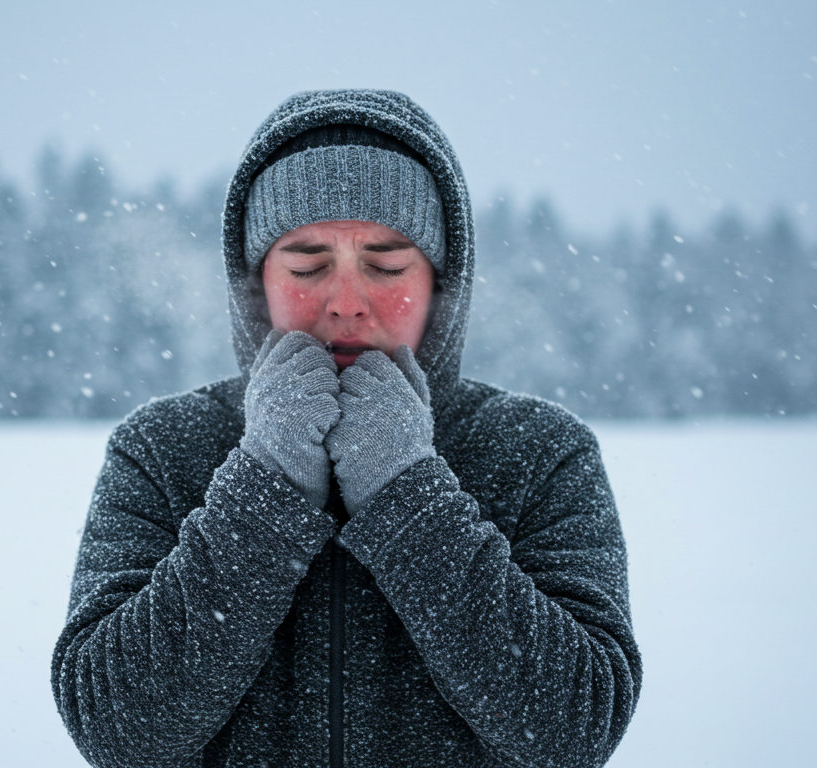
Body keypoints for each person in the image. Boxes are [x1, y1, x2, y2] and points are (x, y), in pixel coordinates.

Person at [51, 89, 641, 768]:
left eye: (387, 265)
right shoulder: (162, 449)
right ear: (254, 282)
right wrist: (263, 486)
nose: (348, 303)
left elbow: (576, 730)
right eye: (308, 265)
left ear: (443, 284)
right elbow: (117, 733)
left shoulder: (539, 453)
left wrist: (407, 493)